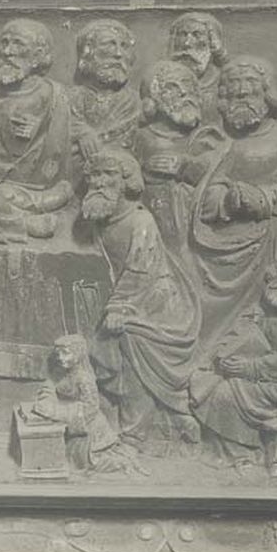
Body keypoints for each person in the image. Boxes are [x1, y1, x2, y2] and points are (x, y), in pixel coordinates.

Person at [191, 56, 277, 354]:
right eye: (234, 88)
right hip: (215, 248)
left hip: (269, 247)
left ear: (267, 92)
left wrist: (264, 198)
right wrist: (227, 199)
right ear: (222, 97)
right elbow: (199, 198)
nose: (242, 94)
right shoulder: (213, 140)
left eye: (250, 86)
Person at [81, 148, 202, 455]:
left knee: (132, 346)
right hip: (127, 300)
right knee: (96, 345)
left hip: (159, 307)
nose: (98, 182)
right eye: (94, 175)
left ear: (127, 181)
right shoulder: (101, 221)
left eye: (108, 175)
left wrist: (119, 307)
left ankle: (134, 436)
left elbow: (140, 269)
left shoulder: (140, 220)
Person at [190, 259, 277, 470]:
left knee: (225, 392)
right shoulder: (261, 312)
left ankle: (242, 453)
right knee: (210, 380)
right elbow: (236, 336)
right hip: (257, 377)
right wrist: (231, 349)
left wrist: (248, 367)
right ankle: (220, 449)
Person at [133, 60, 223, 255]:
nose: (184, 93)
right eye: (172, 88)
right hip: (150, 215)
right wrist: (142, 172)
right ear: (152, 100)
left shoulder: (206, 137)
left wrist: (185, 166)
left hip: (195, 218)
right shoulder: (140, 136)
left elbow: (220, 173)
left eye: (189, 87)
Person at [0, 18, 73, 213]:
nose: (7, 51)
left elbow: (69, 137)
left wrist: (41, 127)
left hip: (41, 186)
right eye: (4, 43)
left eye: (18, 43)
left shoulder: (55, 95)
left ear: (38, 55)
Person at [31, 334, 146, 475]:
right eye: (58, 353)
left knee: (86, 461)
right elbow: (50, 385)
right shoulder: (62, 372)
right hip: (70, 422)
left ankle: (122, 462)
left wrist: (54, 411)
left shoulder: (84, 379)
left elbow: (90, 408)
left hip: (88, 429)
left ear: (78, 354)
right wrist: (47, 399)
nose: (60, 357)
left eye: (66, 353)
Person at [69, 19, 140, 170]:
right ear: (88, 52)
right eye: (109, 44)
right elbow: (53, 130)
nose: (118, 54)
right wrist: (80, 132)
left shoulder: (135, 103)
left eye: (124, 46)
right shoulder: (69, 98)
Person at [168, 12, 228, 123]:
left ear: (213, 43)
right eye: (182, 35)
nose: (187, 43)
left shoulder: (225, 84)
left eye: (197, 35)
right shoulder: (163, 84)